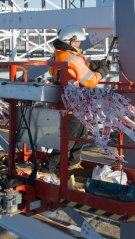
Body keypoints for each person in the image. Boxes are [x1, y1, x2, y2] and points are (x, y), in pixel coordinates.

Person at [44, 24, 110, 175]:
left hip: (74, 101)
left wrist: (95, 65)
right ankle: (48, 168)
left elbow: (80, 68)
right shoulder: (70, 57)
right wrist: (102, 71)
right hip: (72, 103)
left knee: (81, 134)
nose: (80, 44)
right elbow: (90, 81)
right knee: (70, 137)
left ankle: (73, 163)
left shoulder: (61, 53)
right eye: (78, 41)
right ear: (71, 41)